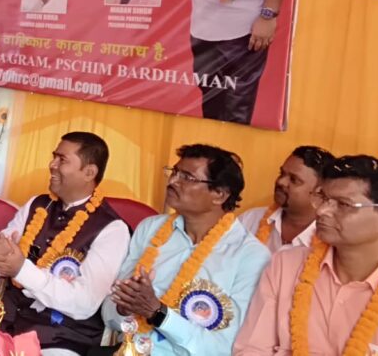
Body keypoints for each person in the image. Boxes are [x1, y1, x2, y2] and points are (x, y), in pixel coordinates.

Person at [234, 155, 378, 355]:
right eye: (323, 198)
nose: (322, 211)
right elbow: (253, 349)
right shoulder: (285, 266)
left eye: (343, 204)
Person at [103, 144, 270, 355]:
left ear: (219, 195)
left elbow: (224, 347)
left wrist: (158, 313)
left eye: (187, 177)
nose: (172, 182)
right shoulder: (150, 228)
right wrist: (124, 307)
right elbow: (108, 313)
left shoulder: (251, 257)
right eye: (174, 172)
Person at [0, 132, 130, 356]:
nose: (52, 165)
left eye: (62, 160)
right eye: (54, 157)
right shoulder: (37, 204)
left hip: (59, 341)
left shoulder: (112, 230)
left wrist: (20, 270)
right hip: (3, 324)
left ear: (89, 172)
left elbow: (84, 303)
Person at [238, 145, 334, 253]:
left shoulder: (330, 239)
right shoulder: (249, 220)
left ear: (320, 193)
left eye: (294, 179)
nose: (281, 182)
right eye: (282, 173)